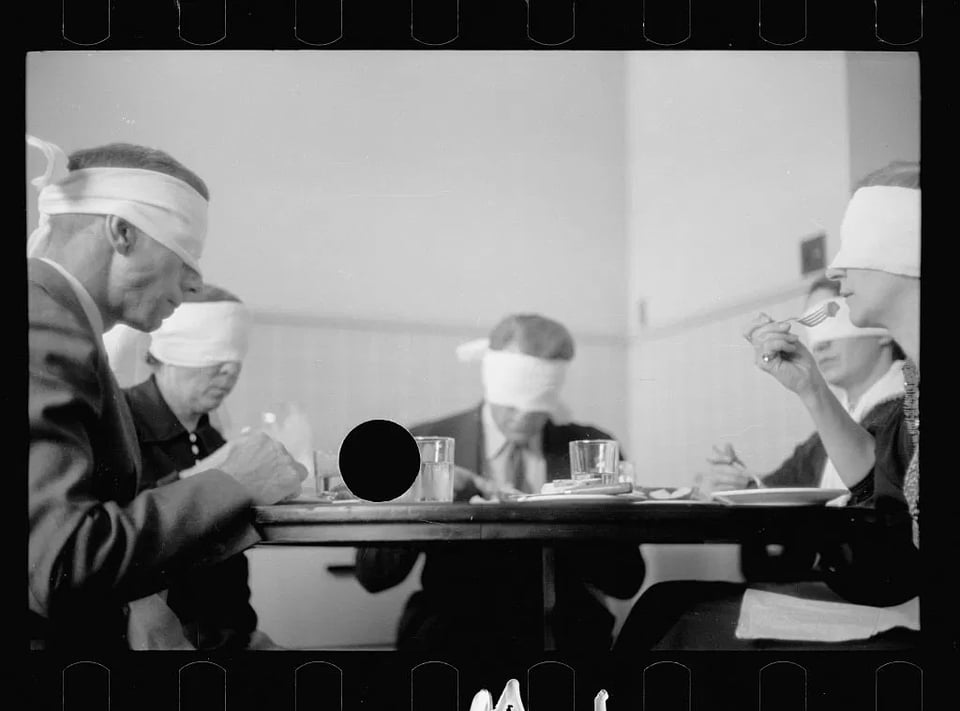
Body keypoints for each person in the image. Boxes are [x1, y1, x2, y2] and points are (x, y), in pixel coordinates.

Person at [614, 162, 920, 651]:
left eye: (856, 245)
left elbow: (890, 553)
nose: (836, 270)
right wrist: (810, 389)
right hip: (879, 596)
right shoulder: (910, 397)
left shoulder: (900, 406)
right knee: (662, 605)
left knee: (666, 612)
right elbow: (878, 496)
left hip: (908, 620)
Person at [28, 135, 307, 650]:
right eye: (186, 256)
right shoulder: (43, 327)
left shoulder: (59, 324)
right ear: (122, 231)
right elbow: (60, 565)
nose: (197, 285)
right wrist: (229, 481)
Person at [354, 314, 646, 652]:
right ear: (490, 380)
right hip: (450, 638)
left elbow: (626, 580)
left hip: (563, 637)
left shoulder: (592, 449)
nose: (523, 417)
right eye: (511, 404)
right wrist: (421, 496)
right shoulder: (425, 444)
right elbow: (372, 575)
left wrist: (576, 515)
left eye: (536, 407)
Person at [111, 285, 281, 650]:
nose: (229, 372)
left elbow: (227, 570)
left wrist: (244, 634)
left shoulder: (213, 441)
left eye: (235, 360)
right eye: (213, 357)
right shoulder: (117, 426)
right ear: (169, 352)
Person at [698, 276, 906, 507]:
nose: (821, 344)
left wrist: (813, 388)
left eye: (832, 317)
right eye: (813, 325)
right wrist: (742, 483)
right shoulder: (821, 440)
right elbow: (779, 489)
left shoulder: (907, 418)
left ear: (883, 329)